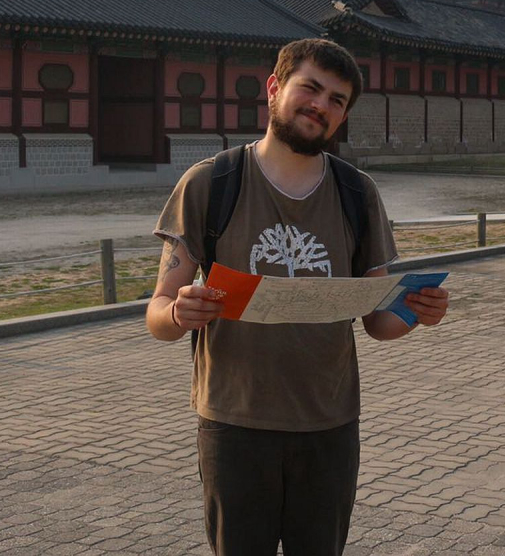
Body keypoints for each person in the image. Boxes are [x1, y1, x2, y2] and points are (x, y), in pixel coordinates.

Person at [146, 37, 449, 555]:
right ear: (274, 88)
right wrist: (179, 311)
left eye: (337, 100)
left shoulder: (357, 193)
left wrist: (417, 313)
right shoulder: (211, 184)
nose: (321, 106)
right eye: (310, 88)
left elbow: (377, 321)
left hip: (328, 426)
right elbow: (157, 313)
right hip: (234, 423)